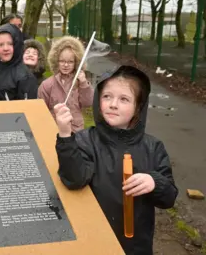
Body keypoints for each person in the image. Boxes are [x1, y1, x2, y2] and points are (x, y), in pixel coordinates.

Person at [54, 65, 178, 255]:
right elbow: (74, 179)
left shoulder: (153, 147)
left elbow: (169, 197)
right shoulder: (85, 140)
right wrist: (64, 134)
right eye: (107, 96)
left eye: (124, 99)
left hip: (136, 244)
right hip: (93, 240)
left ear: (138, 107)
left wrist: (155, 182)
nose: (113, 104)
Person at [38, 35, 93, 132]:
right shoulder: (47, 85)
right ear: (56, 61)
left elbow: (88, 103)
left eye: (70, 62)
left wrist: (84, 83)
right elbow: (41, 111)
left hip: (76, 131)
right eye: (62, 61)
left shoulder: (80, 82)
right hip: (54, 130)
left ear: (76, 63)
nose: (66, 65)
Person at [0, 23, 37, 101]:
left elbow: (28, 108)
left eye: (10, 44)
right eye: (0, 45)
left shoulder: (25, 76)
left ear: (16, 45)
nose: (5, 48)